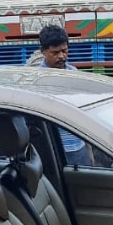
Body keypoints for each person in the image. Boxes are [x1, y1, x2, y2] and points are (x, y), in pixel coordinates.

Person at [27, 24, 92, 165]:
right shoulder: (37, 80)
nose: (62, 56)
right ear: (43, 51)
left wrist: (89, 150)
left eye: (64, 51)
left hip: (78, 147)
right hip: (54, 150)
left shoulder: (74, 74)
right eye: (55, 53)